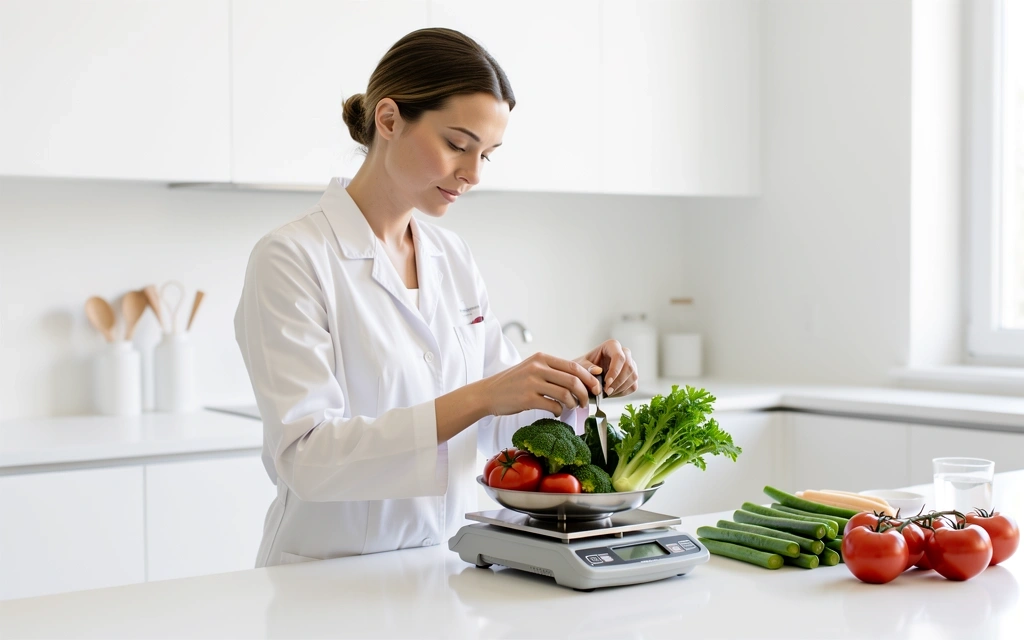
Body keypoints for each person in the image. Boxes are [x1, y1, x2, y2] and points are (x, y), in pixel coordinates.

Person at [235, 27, 639, 567]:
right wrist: (481, 396)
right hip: (324, 578)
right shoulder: (291, 257)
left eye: (487, 155)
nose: (472, 174)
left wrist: (570, 385)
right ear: (388, 119)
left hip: (443, 567)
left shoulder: (452, 258)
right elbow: (306, 458)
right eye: (456, 145)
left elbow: (501, 430)